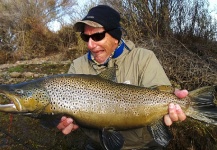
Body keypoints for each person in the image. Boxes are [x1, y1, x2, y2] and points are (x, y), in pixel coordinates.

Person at [57, 5, 188, 150]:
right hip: (98, 145)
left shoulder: (143, 58)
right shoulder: (77, 66)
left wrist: (175, 102)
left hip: (143, 146)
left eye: (97, 36)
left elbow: (162, 93)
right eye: (85, 37)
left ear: (115, 36)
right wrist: (69, 119)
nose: (90, 45)